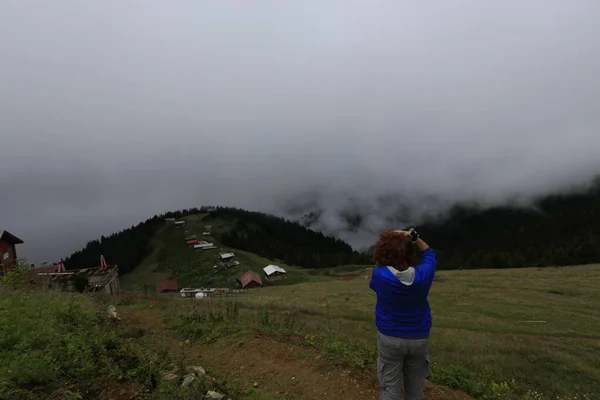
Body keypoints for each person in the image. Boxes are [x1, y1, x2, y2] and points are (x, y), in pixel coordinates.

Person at [369, 228, 437, 400]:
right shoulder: (424, 274)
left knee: (390, 387)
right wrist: (413, 238)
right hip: (419, 337)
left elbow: (374, 280)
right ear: (409, 253)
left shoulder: (379, 275)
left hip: (390, 337)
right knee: (415, 390)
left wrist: (394, 236)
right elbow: (429, 253)